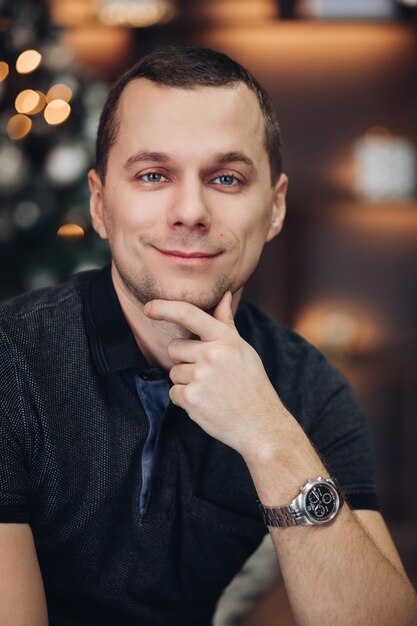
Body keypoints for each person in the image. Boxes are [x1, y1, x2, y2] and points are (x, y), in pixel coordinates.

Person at [0, 46, 416, 626]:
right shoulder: (11, 362)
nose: (190, 210)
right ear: (99, 203)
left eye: (226, 177)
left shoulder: (306, 385)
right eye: (153, 174)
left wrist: (269, 437)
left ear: (274, 209)